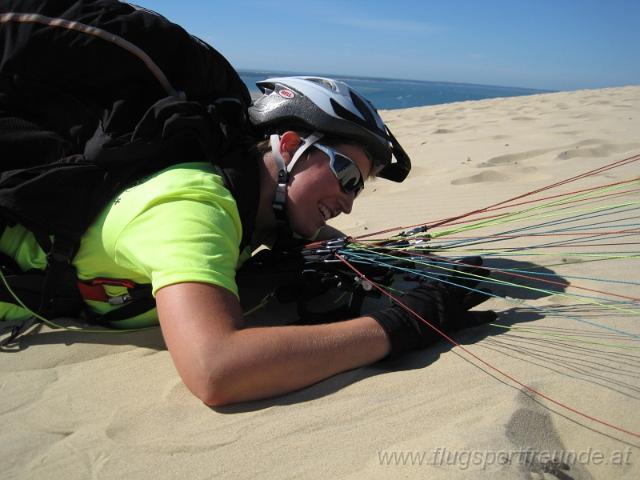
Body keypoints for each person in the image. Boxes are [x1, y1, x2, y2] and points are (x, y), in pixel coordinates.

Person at [0, 7, 495, 405]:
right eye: (345, 176)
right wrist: (398, 326)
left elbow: (330, 240)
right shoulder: (194, 206)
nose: (345, 204)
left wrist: (394, 263)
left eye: (357, 189)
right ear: (290, 145)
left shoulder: (252, 207)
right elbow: (217, 370)